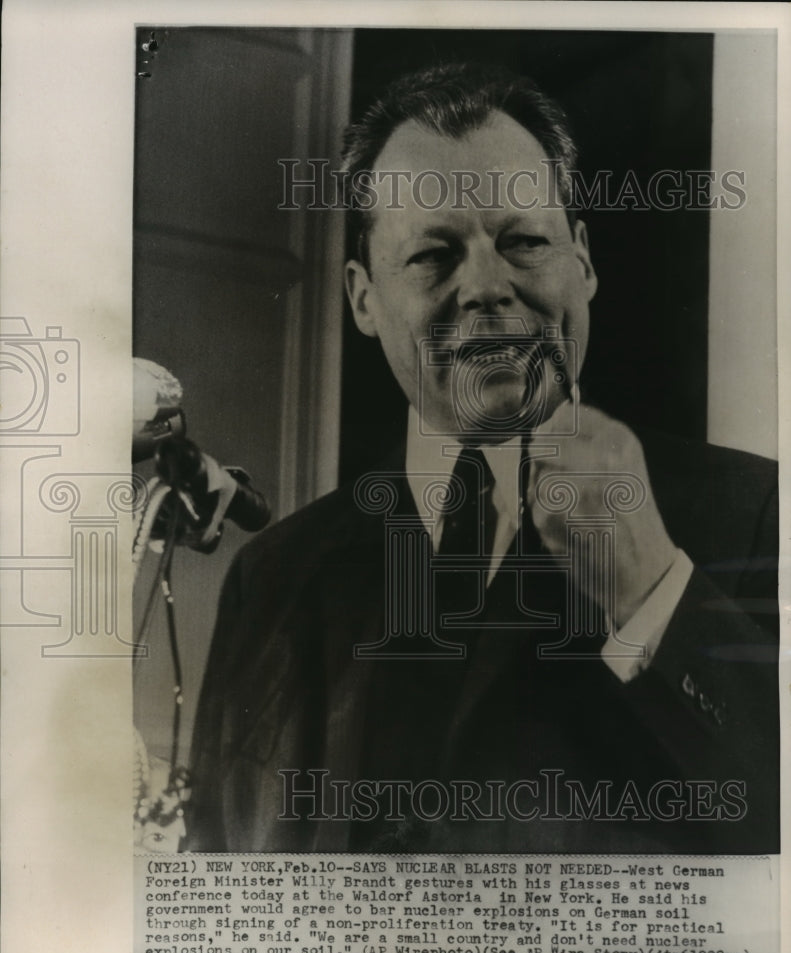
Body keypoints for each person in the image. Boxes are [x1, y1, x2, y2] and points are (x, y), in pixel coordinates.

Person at [186, 63, 778, 855]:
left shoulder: (753, 513)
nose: (487, 287)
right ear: (364, 299)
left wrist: (652, 592)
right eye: (433, 255)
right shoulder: (269, 581)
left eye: (524, 241)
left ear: (584, 263)